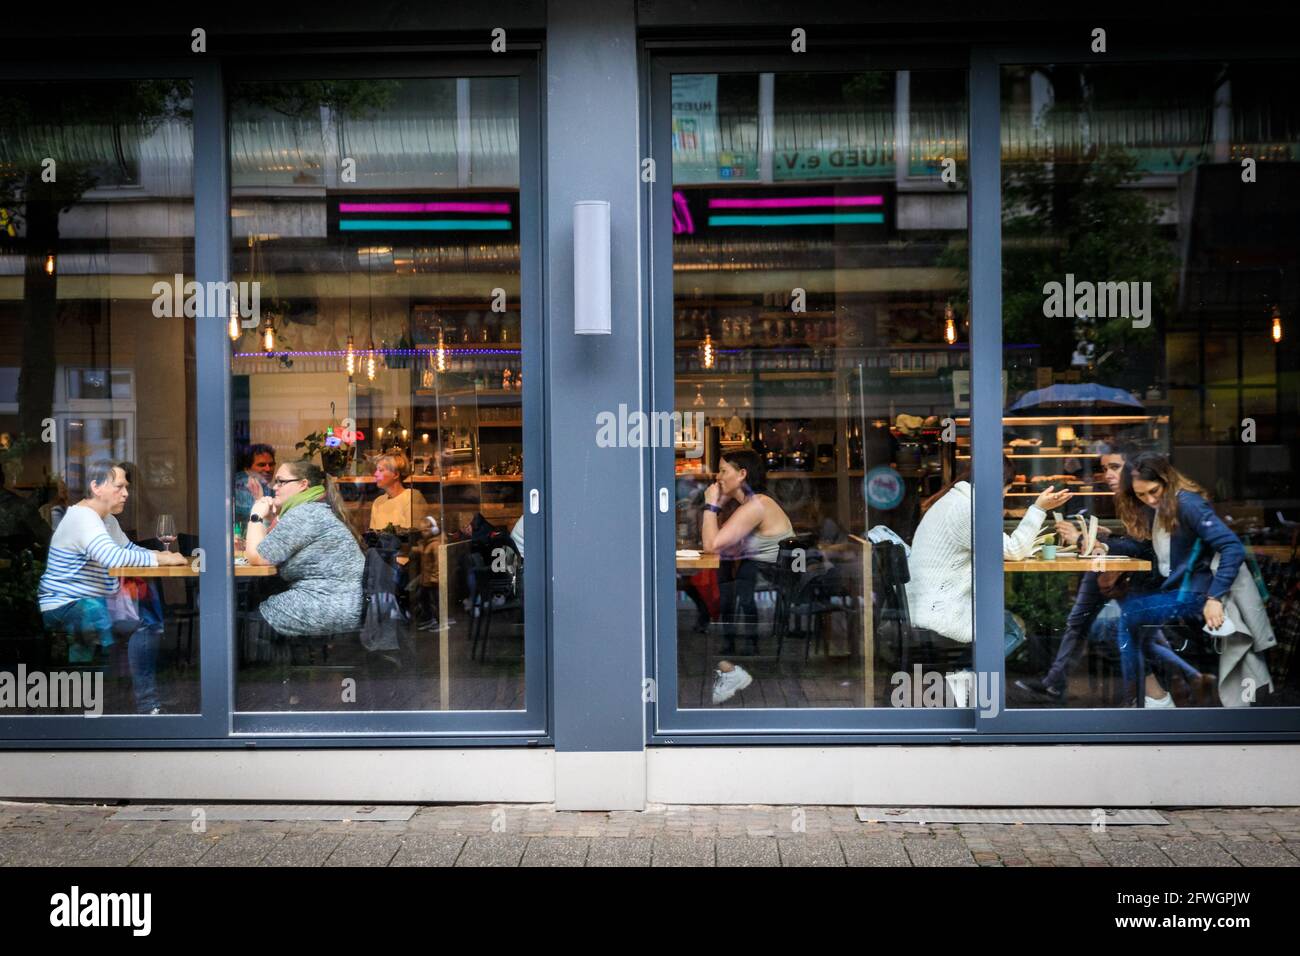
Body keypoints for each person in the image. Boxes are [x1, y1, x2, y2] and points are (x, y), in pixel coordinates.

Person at [1015, 443, 1171, 704]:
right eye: (1104, 468)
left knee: (1137, 632)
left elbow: (1145, 546)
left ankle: (1154, 692)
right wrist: (1100, 538)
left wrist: (1090, 541)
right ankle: (1056, 682)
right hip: (1109, 567)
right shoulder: (1124, 495)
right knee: (1081, 621)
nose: (1107, 474)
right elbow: (1136, 540)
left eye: (1115, 467)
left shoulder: (1146, 495)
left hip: (1131, 574)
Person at [905, 457, 1072, 688]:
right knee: (1013, 628)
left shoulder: (956, 500)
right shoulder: (965, 509)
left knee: (1008, 621)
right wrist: (1038, 508)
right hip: (938, 609)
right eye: (1007, 489)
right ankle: (963, 679)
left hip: (929, 601)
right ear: (997, 483)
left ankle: (964, 674)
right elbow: (1013, 550)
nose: (1004, 496)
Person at [37, 460, 187, 712]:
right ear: (96, 487)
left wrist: (160, 555)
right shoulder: (83, 518)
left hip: (88, 601)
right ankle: (147, 705)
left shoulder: (106, 520)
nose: (126, 493)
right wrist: (163, 557)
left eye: (126, 487)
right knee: (145, 621)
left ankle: (139, 699)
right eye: (119, 486)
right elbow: (114, 558)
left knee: (148, 609)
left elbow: (128, 549)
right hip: (66, 605)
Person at [1106, 452, 1244, 708]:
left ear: (1167, 480)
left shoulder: (1188, 504)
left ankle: (1149, 699)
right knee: (1128, 620)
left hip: (1194, 595)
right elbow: (1150, 549)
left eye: (1154, 491)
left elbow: (1232, 547)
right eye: (1141, 495)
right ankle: (1163, 693)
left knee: (1123, 621)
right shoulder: (1163, 506)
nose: (1149, 499)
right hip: (1176, 591)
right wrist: (1105, 544)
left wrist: (1214, 597)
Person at [700, 449, 794, 704]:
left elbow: (712, 544)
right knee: (722, 581)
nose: (718, 477)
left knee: (722, 587)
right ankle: (730, 659)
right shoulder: (751, 504)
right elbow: (726, 545)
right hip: (766, 577)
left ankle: (731, 664)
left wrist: (711, 506)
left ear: (742, 474)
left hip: (770, 581)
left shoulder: (756, 505)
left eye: (723, 471)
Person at [244, 459, 365, 641]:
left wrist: (255, 515)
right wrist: (268, 519)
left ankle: (248, 666)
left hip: (326, 603)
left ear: (303, 485)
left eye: (281, 481)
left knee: (243, 619)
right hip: (337, 600)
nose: (274, 487)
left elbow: (258, 556)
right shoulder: (311, 510)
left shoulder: (305, 514)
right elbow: (269, 548)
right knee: (255, 600)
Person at [234, 443, 275, 529]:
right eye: (261, 465)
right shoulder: (238, 488)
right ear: (247, 468)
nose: (268, 469)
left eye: (271, 464)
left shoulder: (270, 489)